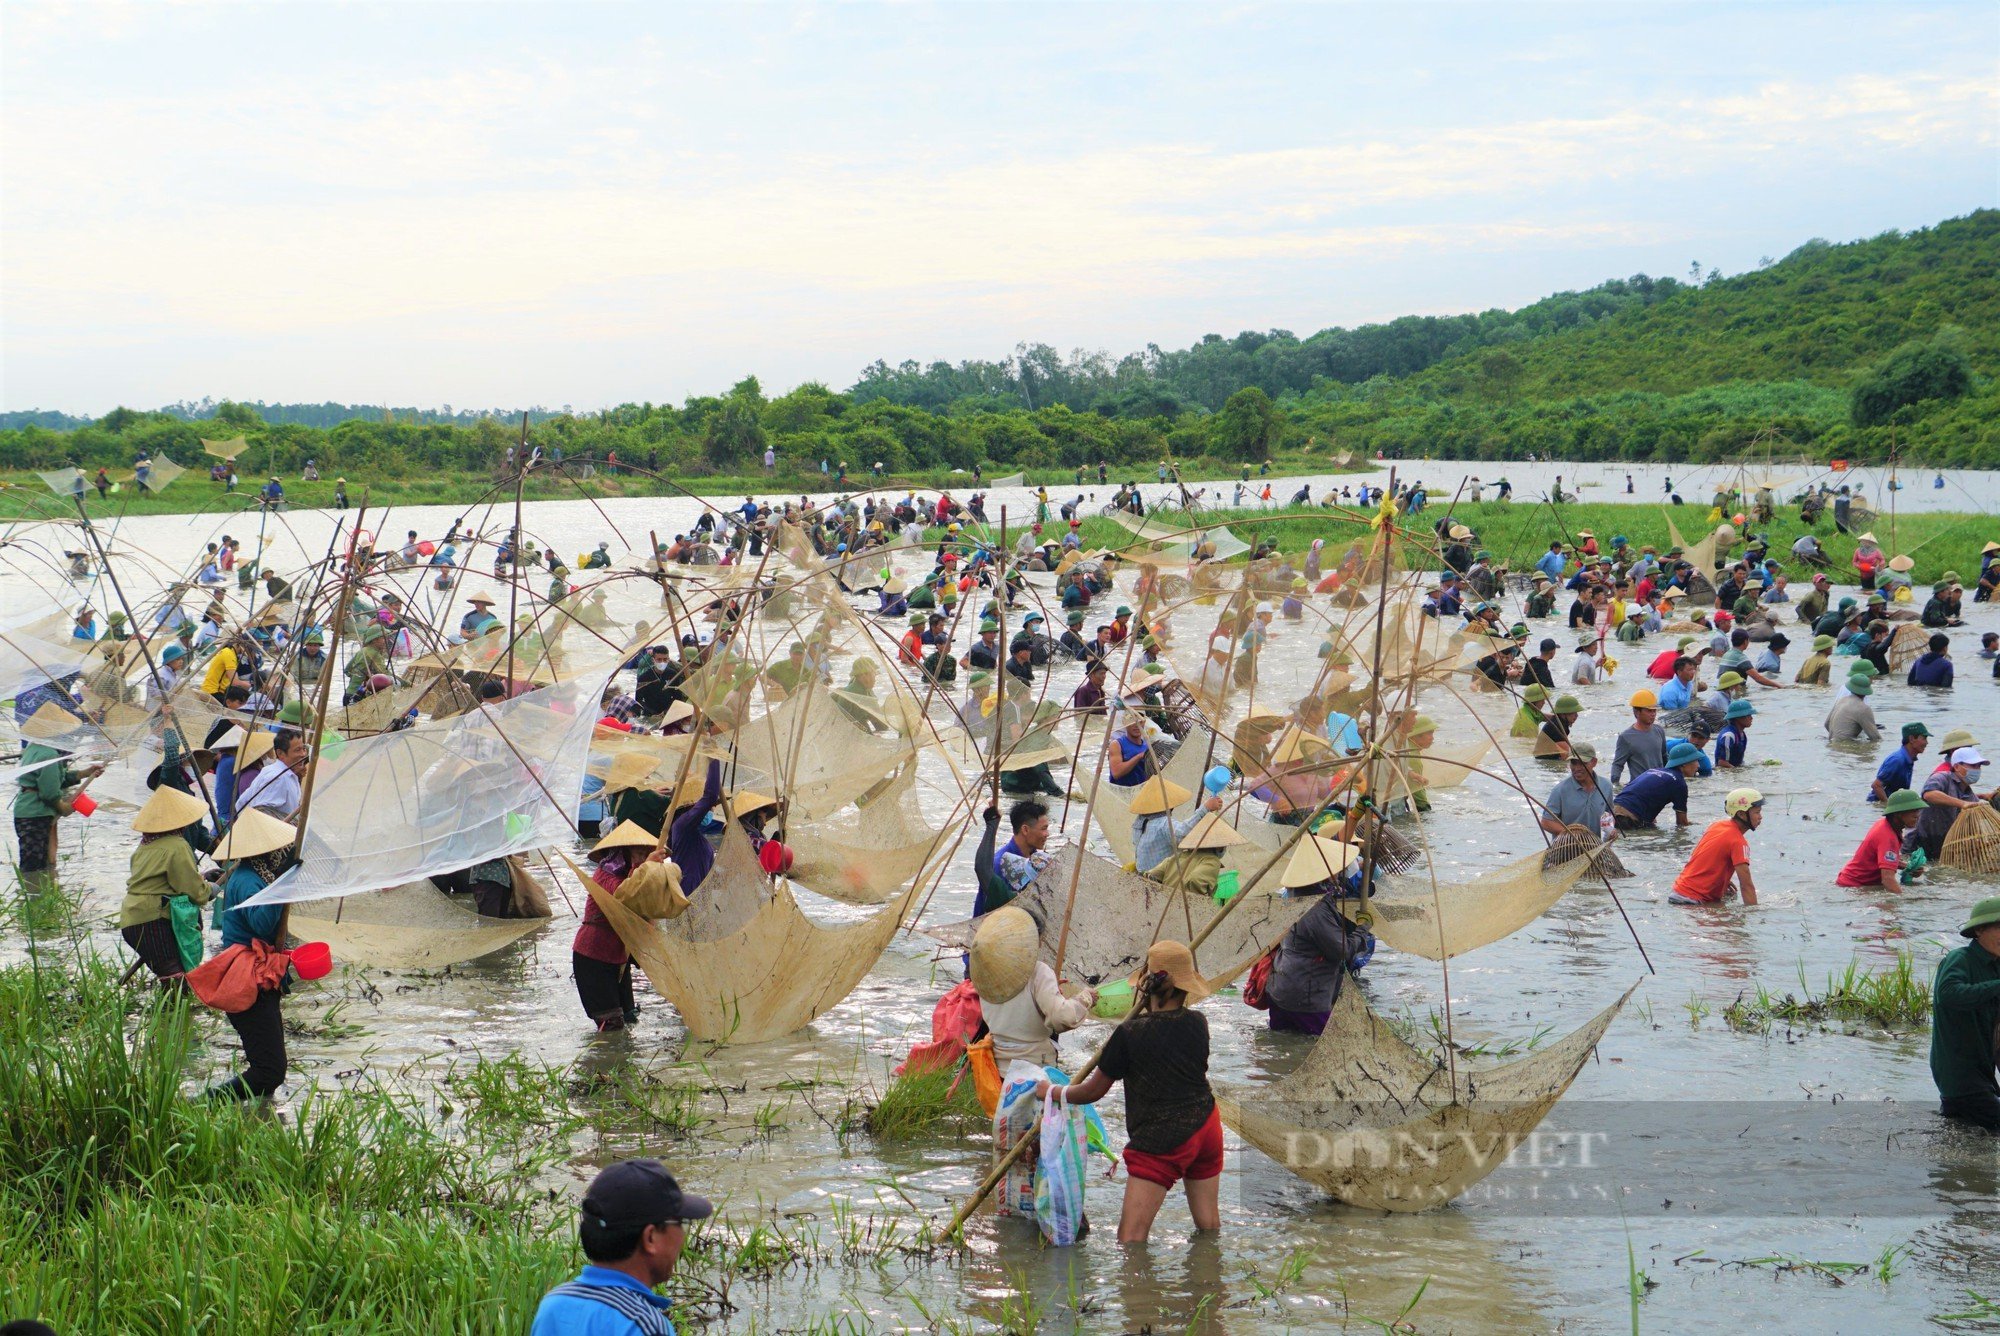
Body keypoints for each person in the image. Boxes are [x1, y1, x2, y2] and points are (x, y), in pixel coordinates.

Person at [1033, 941, 1221, 1243]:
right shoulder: (1198, 1023)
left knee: (1130, 1240)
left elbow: (1092, 1091)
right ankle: (1207, 1279)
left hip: (1163, 1140)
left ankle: (1138, 1291)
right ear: (1185, 988)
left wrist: (1052, 1091)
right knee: (1209, 1228)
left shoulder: (1130, 1034)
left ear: (1146, 987)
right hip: (1207, 1126)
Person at [531, 1158, 713, 1335]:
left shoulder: (553, 1305)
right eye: (680, 1223)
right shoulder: (644, 1325)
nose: (682, 1237)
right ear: (650, 1237)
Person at [206, 809, 300, 1101]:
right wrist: (280, 887)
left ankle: (258, 1122)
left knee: (270, 1069)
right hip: (247, 977)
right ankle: (204, 1104)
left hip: (254, 972)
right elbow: (261, 925)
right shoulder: (249, 881)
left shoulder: (258, 874)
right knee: (269, 1071)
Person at [572, 821, 684, 1031]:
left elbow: (649, 912)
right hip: (593, 957)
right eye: (639, 854)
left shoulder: (633, 879)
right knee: (611, 1026)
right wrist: (646, 868)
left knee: (629, 1019)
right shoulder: (605, 875)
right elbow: (622, 897)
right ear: (624, 854)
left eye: (646, 855)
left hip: (618, 960)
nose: (642, 860)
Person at [1263, 836, 1371, 1034]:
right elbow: (1342, 950)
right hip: (1305, 996)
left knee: (1284, 1045)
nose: (1338, 873)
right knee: (1333, 1046)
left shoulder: (1294, 896)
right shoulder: (1316, 909)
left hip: (1282, 988)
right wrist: (1363, 929)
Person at [971, 904, 1093, 1068]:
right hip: (1033, 1069)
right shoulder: (1039, 971)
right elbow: (1062, 1018)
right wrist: (1085, 998)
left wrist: (1048, 989)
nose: (1040, 946)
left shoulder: (985, 971)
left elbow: (1016, 1007)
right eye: (1039, 941)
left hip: (997, 1066)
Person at [117, 786, 213, 981]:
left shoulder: (143, 847)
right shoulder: (177, 845)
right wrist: (211, 889)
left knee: (171, 974)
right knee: (176, 981)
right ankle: (171, 1011)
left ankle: (167, 1011)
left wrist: (203, 877)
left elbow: (162, 882)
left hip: (131, 920)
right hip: (153, 921)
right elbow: (195, 892)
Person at [13, 704, 103, 891]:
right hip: (35, 815)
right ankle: (34, 898)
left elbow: (58, 778)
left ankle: (37, 897)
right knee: (35, 865)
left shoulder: (34, 747)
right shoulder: (49, 753)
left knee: (36, 861)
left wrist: (85, 773)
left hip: (26, 811)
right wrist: (63, 807)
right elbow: (49, 793)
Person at [1929, 897, 2000, 1132]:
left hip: (1983, 1070)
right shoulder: (1959, 959)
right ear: (1979, 930)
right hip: (1958, 1071)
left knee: (1966, 1132)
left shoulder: (1996, 965)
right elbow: (1949, 994)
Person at [1670, 788, 1763, 905]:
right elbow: (1746, 885)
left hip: (1678, 891)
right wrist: (1754, 917)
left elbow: (1704, 856)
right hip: (1692, 900)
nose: (1760, 817)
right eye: (1757, 812)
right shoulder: (1739, 842)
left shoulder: (1717, 826)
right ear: (1741, 814)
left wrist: (1723, 879)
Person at [1912, 746, 1995, 863]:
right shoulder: (1941, 778)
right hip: (1921, 841)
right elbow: (1929, 794)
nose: (1977, 770)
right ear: (1956, 766)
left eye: (1979, 766)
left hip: (1943, 845)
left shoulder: (1971, 796)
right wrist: (1962, 804)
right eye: (1973, 766)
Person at [1836, 789, 1927, 891]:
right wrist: (1904, 902)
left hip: (1852, 882)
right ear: (1898, 814)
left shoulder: (1887, 825)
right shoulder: (1888, 837)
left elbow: (1883, 859)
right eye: (1913, 810)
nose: (1917, 815)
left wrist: (1907, 867)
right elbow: (1888, 879)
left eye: (1918, 810)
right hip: (1854, 886)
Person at [1143, 812, 1244, 896]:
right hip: (1185, 910)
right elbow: (1196, 881)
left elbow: (1151, 875)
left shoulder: (1178, 856)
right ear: (1219, 846)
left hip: (1164, 904)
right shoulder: (1212, 861)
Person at [1610, 742, 1705, 830]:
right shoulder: (1679, 783)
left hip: (1612, 811)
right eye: (1696, 760)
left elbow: (1643, 796)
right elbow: (1681, 823)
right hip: (1629, 818)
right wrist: (1696, 827)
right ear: (1684, 763)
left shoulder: (1653, 771)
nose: (1698, 766)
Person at [1538, 742, 1615, 838]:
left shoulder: (1606, 786)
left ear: (1594, 762)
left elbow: (1609, 813)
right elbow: (1546, 822)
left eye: (1583, 763)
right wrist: (1572, 835)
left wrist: (1610, 831)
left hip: (1594, 846)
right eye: (1573, 763)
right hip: (1566, 847)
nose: (1577, 768)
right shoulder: (1560, 790)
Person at [1609, 689, 1666, 788]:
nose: (1653, 714)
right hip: (1639, 788)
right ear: (1637, 712)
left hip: (1659, 786)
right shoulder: (1626, 737)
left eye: (1654, 711)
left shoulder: (1659, 731)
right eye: (1649, 711)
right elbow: (1618, 765)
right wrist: (1615, 786)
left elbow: (1665, 757)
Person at [1871, 722, 1932, 802]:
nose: (1926, 743)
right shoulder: (1897, 760)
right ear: (1912, 739)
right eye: (1924, 738)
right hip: (1878, 802)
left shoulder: (1908, 759)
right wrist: (1889, 807)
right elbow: (1876, 786)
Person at [1824, 671, 1882, 742]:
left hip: (1832, 747)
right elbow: (1875, 737)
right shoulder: (1864, 709)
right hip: (1846, 748)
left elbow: (1826, 724)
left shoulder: (1841, 700)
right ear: (1867, 690)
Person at [1713, 699, 1754, 769]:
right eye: (1748, 715)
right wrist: (1738, 772)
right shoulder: (1728, 736)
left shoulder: (1742, 735)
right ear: (1738, 717)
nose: (1751, 718)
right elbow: (1722, 763)